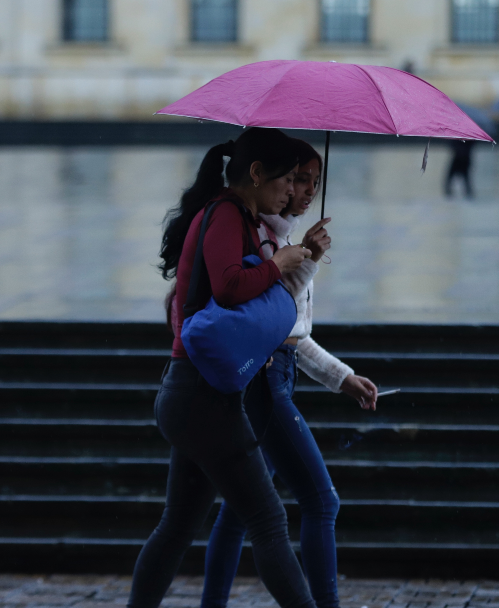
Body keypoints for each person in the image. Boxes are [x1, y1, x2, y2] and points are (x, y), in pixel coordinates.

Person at [129, 127, 317, 608]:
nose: (290, 191)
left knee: (177, 525)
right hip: (201, 397)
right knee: (268, 521)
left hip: (194, 395)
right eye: (287, 179)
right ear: (256, 173)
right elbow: (230, 287)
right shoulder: (227, 214)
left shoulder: (241, 217)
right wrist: (279, 264)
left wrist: (295, 259)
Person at [201, 139, 379, 608]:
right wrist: (307, 259)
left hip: (277, 374)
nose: (304, 191)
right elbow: (275, 317)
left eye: (314, 182)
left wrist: (342, 377)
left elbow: (296, 335)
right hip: (266, 381)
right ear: (269, 177)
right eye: (298, 179)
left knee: (239, 512)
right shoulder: (266, 238)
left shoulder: (287, 237)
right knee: (321, 501)